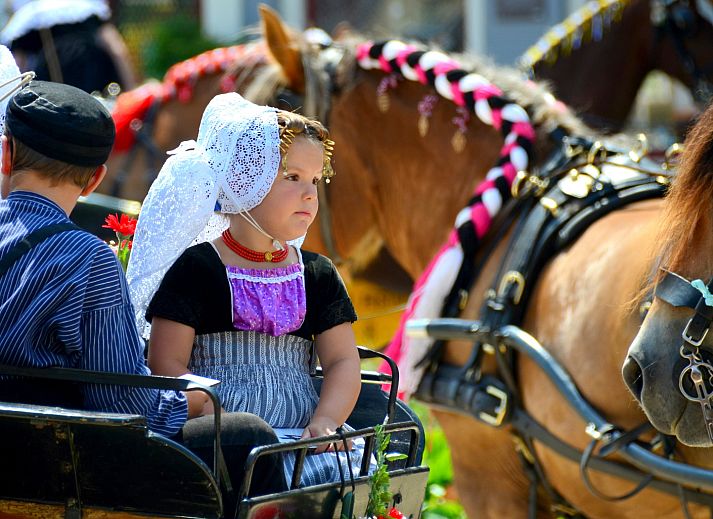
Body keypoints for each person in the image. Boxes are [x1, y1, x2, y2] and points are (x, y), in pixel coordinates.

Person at [0, 76, 284, 506]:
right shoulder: (89, 260)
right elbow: (123, 403)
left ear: (5, 155)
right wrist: (190, 402)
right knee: (247, 434)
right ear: (95, 179)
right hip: (42, 464)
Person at [126, 93, 363, 487]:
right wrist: (208, 408)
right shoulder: (198, 268)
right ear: (245, 179)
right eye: (292, 177)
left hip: (302, 438)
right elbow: (166, 363)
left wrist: (325, 421)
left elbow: (341, 361)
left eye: (315, 181)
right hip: (223, 439)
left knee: (340, 479)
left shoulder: (317, 273)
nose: (309, 194)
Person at [2, 0, 138, 94]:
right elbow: (117, 50)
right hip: (96, 83)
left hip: (50, 92)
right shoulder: (88, 10)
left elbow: (17, 67)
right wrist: (131, 90)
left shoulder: (29, 17)